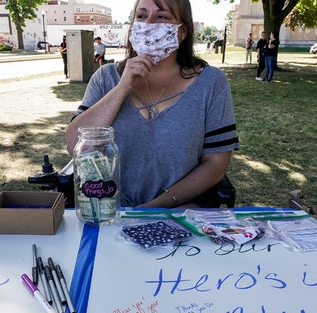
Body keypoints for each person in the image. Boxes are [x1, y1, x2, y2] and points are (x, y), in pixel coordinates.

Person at [65, 0, 240, 208]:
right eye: (141, 16)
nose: (148, 24)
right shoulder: (105, 78)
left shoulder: (211, 83)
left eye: (162, 16)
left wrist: (159, 206)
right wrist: (122, 88)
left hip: (180, 212)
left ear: (182, 31)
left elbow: (216, 163)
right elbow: (73, 144)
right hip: (109, 212)